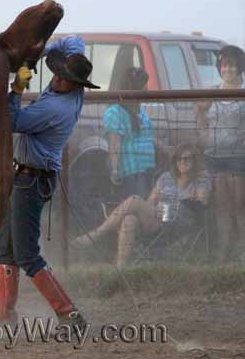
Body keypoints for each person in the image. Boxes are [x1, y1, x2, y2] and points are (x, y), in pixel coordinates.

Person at [0, 35, 100, 329]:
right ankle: (4, 317)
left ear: (74, 84)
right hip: (27, 177)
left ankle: (68, 314)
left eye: (62, 77)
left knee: (25, 254)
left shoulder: (54, 109)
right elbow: (75, 41)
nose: (55, 79)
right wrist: (40, 53)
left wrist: (17, 88)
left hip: (29, 180)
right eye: (56, 71)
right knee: (7, 249)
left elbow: (12, 121)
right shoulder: (71, 94)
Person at [74, 143, 211, 267]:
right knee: (129, 220)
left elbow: (202, 201)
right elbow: (150, 201)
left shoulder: (201, 178)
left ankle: (96, 235)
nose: (182, 162)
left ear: (194, 161)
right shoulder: (166, 177)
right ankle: (121, 270)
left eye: (187, 158)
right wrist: (154, 208)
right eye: (179, 159)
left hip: (181, 221)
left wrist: (183, 196)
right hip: (159, 218)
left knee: (134, 199)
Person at [194, 44, 245, 263]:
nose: (228, 69)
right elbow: (200, 118)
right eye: (224, 65)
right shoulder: (211, 92)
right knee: (222, 207)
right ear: (219, 68)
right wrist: (203, 132)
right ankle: (224, 249)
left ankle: (242, 249)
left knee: (239, 205)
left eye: (232, 66)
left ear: (239, 68)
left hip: (239, 156)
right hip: (214, 156)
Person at [103, 67, 156, 201]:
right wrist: (115, 169)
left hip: (148, 169)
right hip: (133, 173)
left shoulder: (140, 112)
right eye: (144, 84)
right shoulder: (116, 112)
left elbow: (147, 137)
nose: (147, 89)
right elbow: (114, 143)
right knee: (135, 207)